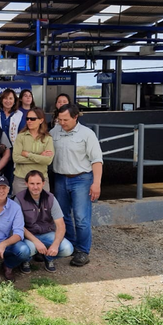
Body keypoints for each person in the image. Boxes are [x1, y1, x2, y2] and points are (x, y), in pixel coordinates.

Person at [50, 103, 103, 267]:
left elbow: (97, 160)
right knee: (63, 215)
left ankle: (82, 251)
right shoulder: (54, 132)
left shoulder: (87, 134)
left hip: (82, 179)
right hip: (60, 178)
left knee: (81, 218)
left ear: (75, 117)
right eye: (59, 119)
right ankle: (69, 245)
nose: (62, 123)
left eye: (65, 119)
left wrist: (96, 183)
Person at [14, 170, 74, 273]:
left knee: (68, 248)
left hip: (47, 233)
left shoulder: (51, 198)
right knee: (28, 249)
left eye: (38, 183)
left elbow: (61, 225)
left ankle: (49, 257)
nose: (35, 187)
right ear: (26, 183)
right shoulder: (19, 199)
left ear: (43, 183)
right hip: (27, 235)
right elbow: (19, 226)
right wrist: (36, 242)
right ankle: (26, 261)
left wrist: (55, 244)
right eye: (32, 183)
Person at [11, 107, 54, 195]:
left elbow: (48, 160)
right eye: (27, 118)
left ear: (41, 120)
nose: (29, 121)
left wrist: (27, 154)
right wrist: (40, 156)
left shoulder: (48, 138)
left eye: (32, 119)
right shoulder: (21, 136)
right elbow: (16, 158)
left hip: (41, 179)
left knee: (43, 207)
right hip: (21, 179)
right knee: (19, 207)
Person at [0, 88, 24, 186]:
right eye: (5, 98)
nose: (8, 101)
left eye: (11, 98)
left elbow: (22, 132)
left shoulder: (19, 114)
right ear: (1, 100)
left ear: (15, 100)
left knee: (9, 176)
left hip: (12, 150)